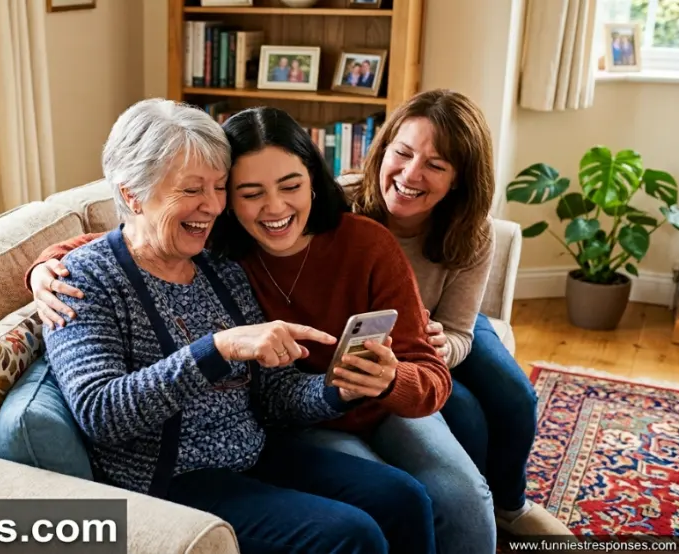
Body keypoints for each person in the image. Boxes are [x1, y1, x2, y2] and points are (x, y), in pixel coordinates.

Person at [28, 103, 497, 553]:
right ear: (131, 194)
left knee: (404, 499)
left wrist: (342, 387)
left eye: (218, 188)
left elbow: (274, 394)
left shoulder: (217, 264)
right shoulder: (82, 280)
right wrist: (217, 349)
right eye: (193, 190)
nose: (211, 206)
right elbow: (100, 412)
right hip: (172, 475)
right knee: (352, 535)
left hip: (255, 450)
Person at [344, 89, 575, 538]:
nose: (411, 173)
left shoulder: (473, 232)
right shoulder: (341, 203)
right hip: (390, 339)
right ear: (383, 149)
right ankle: (474, 508)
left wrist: (442, 345)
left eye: (435, 165)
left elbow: (459, 331)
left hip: (445, 326)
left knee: (515, 396)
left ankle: (510, 505)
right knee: (464, 410)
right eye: (404, 153)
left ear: (459, 180)